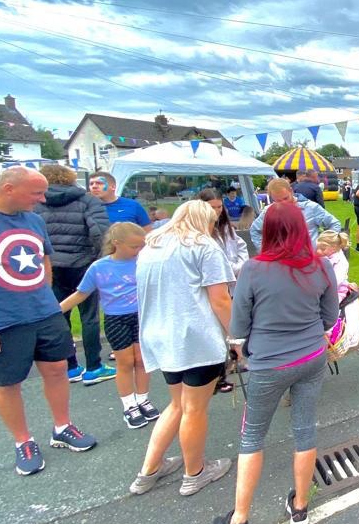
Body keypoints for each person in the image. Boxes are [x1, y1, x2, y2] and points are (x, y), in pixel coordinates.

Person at [210, 203, 338, 524]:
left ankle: (238, 522)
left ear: (266, 231)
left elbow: (238, 326)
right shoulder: (322, 265)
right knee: (304, 429)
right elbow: (329, 317)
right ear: (302, 229)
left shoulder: (253, 269)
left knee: (252, 437)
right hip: (312, 356)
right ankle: (300, 507)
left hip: (268, 363)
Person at [0, 167, 96, 475]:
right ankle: (23, 441)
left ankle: (62, 427)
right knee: (9, 382)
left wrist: (47, 301)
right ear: (9, 189)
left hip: (44, 312)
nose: (42, 199)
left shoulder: (34, 220)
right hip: (1, 319)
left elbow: (43, 260)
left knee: (57, 369)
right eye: (36, 193)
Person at [129, 200, 235, 497]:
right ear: (206, 221)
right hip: (196, 339)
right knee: (194, 409)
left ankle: (149, 469)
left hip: (161, 336)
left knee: (177, 405)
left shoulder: (151, 247)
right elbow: (220, 300)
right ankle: (195, 472)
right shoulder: (204, 247)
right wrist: (236, 338)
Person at [59, 223, 160, 429]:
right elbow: (81, 293)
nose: (138, 250)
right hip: (116, 319)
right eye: (134, 246)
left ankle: (143, 399)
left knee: (142, 360)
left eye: (141, 246)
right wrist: (55, 311)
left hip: (140, 316)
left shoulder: (142, 261)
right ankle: (129, 405)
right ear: (116, 243)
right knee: (125, 362)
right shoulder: (99, 267)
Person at [34, 163, 113, 385]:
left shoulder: (37, 203)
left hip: (52, 265)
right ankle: (94, 366)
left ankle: (70, 366)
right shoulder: (88, 201)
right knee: (89, 317)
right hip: (82, 262)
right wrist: (101, 260)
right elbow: (100, 233)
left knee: (60, 314)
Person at [199, 188, 250, 395]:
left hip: (232, 282)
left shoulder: (226, 227)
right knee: (217, 329)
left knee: (231, 324)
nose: (217, 211)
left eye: (219, 207)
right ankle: (217, 375)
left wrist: (239, 266)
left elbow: (240, 247)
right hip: (214, 286)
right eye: (212, 208)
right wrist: (230, 268)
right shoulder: (201, 233)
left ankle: (232, 362)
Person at [250, 178, 340, 252]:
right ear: (271, 198)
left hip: (310, 262)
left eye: (285, 198)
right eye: (278, 201)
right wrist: (264, 251)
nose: (283, 203)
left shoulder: (311, 207)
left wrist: (325, 245)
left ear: (291, 191)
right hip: (281, 264)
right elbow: (255, 230)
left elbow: (334, 224)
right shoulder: (268, 211)